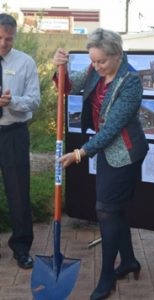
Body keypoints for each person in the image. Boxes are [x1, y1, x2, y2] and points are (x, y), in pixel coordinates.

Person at [53, 28, 148, 300]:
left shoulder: (130, 81)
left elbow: (111, 131)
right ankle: (129, 261)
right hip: (107, 151)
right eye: (93, 61)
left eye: (101, 61)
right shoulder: (96, 69)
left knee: (106, 210)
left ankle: (107, 277)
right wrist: (61, 66)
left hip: (125, 153)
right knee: (113, 209)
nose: (96, 66)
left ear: (117, 55)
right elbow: (67, 86)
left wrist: (79, 154)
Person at [0, 13, 40, 268]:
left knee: (18, 193)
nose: (4, 43)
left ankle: (21, 248)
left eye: (9, 39)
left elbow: (35, 101)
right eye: (1, 38)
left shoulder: (25, 62)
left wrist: (12, 101)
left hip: (13, 133)